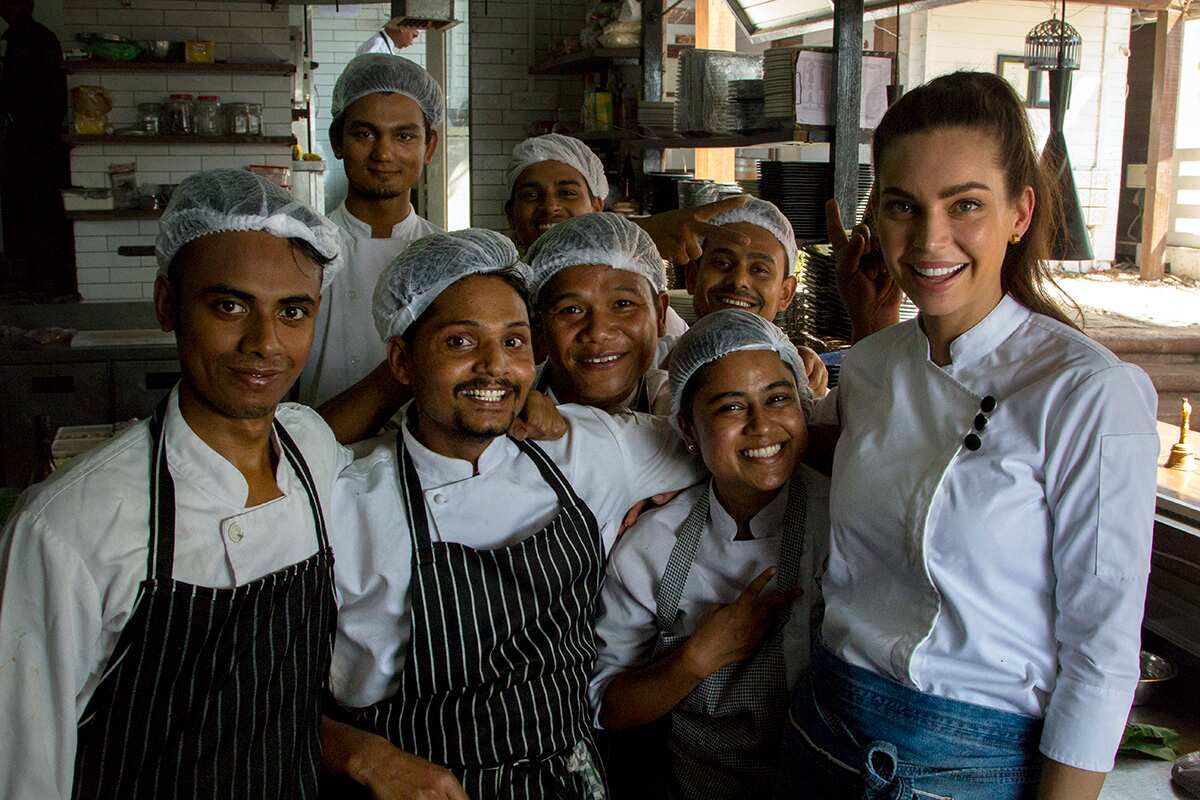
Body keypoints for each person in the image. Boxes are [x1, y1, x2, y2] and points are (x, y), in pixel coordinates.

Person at [776, 71, 1159, 800]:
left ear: (1020, 213)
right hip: (823, 729)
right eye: (902, 207)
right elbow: (790, 445)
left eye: (967, 206)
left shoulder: (1087, 393)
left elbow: (1101, 655)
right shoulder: (876, 361)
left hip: (965, 768)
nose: (929, 240)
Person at [319, 228, 705, 799]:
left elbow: (722, 442)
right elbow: (255, 689)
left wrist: (784, 367)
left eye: (515, 342)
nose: (494, 368)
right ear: (402, 361)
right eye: (459, 343)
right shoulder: (345, 500)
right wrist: (365, 758)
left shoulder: (584, 448)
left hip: (568, 779)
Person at [0, 170, 350, 799]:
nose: (264, 343)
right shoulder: (68, 526)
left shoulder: (312, 450)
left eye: (293, 312)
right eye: (229, 305)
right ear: (167, 303)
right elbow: (24, 763)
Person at [591, 310, 829, 799]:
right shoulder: (653, 547)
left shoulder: (845, 519)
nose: (763, 426)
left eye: (778, 399)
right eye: (731, 408)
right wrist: (697, 658)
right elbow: (607, 706)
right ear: (687, 430)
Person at [300, 53, 443, 405]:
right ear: (337, 141)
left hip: (417, 456)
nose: (384, 153)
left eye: (404, 136)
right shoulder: (301, 248)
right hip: (316, 448)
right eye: (365, 134)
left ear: (430, 147)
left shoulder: (445, 255)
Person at [526, 212, 672, 414]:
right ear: (538, 324)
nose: (598, 331)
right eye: (572, 310)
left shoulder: (688, 411)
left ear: (660, 314)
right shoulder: (503, 410)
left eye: (623, 304)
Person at [0, 0, 73, 299]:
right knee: (32, 212)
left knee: (33, 213)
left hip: (35, 141)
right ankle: (37, 279)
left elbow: (33, 94)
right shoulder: (28, 37)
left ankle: (39, 280)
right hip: (34, 140)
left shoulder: (32, 39)